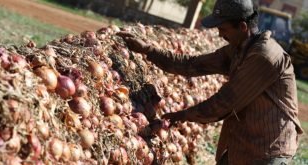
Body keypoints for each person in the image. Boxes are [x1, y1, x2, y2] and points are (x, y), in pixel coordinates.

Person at [117, 0, 303, 164]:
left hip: (267, 151)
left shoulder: (264, 56)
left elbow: (226, 102)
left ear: (243, 27)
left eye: (223, 28)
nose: (220, 34)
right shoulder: (239, 50)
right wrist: (147, 50)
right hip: (242, 146)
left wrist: (182, 115)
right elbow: (192, 65)